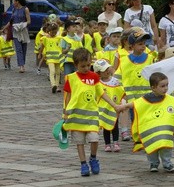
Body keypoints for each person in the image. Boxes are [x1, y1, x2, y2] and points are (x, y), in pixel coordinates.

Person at [62, 48, 122, 176]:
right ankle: (83, 164)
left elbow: (101, 93)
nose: (86, 68)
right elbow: (67, 96)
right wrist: (65, 113)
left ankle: (93, 158)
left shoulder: (94, 77)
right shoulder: (71, 78)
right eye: (82, 66)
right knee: (79, 142)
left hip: (92, 115)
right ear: (75, 65)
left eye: (88, 65)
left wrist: (114, 105)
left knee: (94, 139)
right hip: (76, 117)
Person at [121, 72, 174, 172]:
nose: (166, 88)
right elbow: (134, 104)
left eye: (167, 85)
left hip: (164, 132)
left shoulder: (169, 98)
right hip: (150, 132)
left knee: (165, 146)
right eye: (162, 86)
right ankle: (153, 163)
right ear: (153, 87)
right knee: (151, 147)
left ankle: (167, 163)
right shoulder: (145, 99)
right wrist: (122, 106)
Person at [114, 28, 155, 123]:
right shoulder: (124, 61)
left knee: (148, 119)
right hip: (132, 100)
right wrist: (121, 94)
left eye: (144, 43)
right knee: (135, 120)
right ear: (132, 46)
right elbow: (117, 78)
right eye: (140, 44)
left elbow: (155, 76)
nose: (143, 46)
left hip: (147, 97)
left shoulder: (150, 59)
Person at [93, 59, 126, 152]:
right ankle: (107, 144)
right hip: (103, 110)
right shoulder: (98, 83)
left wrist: (121, 103)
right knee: (106, 128)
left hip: (114, 108)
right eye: (104, 70)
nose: (107, 71)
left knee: (115, 125)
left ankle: (116, 142)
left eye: (108, 68)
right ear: (99, 73)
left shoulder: (115, 81)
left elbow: (121, 92)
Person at [1, 0, 31, 73]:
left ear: (17, 1)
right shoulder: (14, 10)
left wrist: (22, 25)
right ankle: (21, 66)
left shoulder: (25, 9)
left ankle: (23, 64)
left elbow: (29, 21)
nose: (13, 3)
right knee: (18, 49)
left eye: (14, 1)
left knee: (24, 48)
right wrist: (4, 29)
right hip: (15, 31)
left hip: (23, 31)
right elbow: (11, 21)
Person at [39, 23, 62, 93]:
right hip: (50, 59)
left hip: (58, 58)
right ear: (49, 31)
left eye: (55, 32)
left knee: (58, 72)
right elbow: (42, 47)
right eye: (52, 32)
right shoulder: (45, 39)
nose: (53, 33)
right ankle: (53, 85)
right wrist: (40, 54)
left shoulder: (59, 38)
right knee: (52, 71)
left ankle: (57, 86)